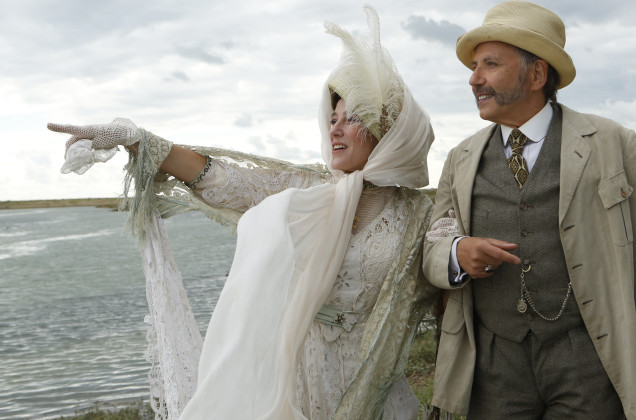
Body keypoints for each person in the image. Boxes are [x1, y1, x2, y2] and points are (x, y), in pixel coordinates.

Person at [48, 7, 437, 419]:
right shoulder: (307, 191)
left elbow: (445, 273)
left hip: (372, 384)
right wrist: (138, 140)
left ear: (389, 132)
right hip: (294, 378)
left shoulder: (419, 215)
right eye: (333, 118)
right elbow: (222, 180)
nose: (335, 129)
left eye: (354, 119)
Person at [422, 1, 636, 419]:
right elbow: (433, 245)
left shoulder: (613, 143)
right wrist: (457, 252)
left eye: (490, 64)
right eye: (474, 66)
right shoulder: (459, 158)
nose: (474, 78)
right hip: (492, 363)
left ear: (537, 74)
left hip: (589, 359)